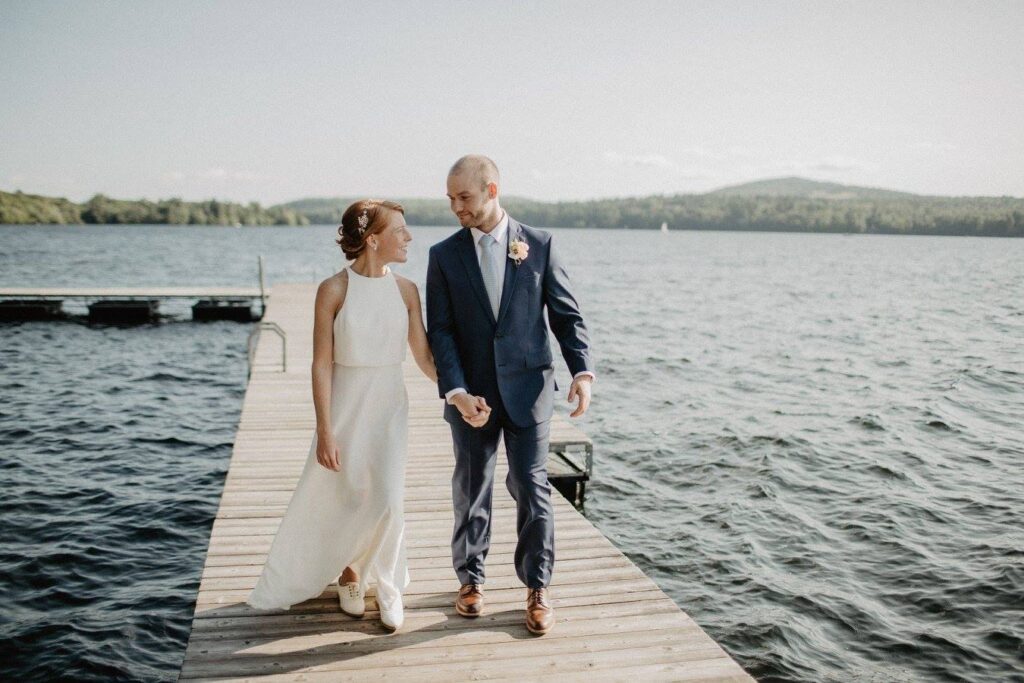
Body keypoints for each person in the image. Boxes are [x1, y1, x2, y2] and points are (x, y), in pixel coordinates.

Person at [246, 199, 440, 632]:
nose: (409, 238)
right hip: (345, 407)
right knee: (347, 496)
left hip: (389, 406)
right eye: (400, 231)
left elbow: (424, 357)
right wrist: (324, 430)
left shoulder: (407, 290)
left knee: (388, 499)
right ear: (372, 240)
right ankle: (350, 573)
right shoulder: (333, 290)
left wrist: (460, 392)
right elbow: (321, 364)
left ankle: (389, 584)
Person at [426, 155, 594, 635]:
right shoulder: (443, 255)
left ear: (492, 190)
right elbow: (440, 332)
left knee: (532, 486)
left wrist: (582, 372)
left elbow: (566, 316)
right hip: (471, 397)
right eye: (451, 198)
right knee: (472, 486)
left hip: (530, 390)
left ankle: (538, 587)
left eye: (465, 197)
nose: (456, 207)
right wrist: (456, 392)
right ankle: (472, 579)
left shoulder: (539, 245)